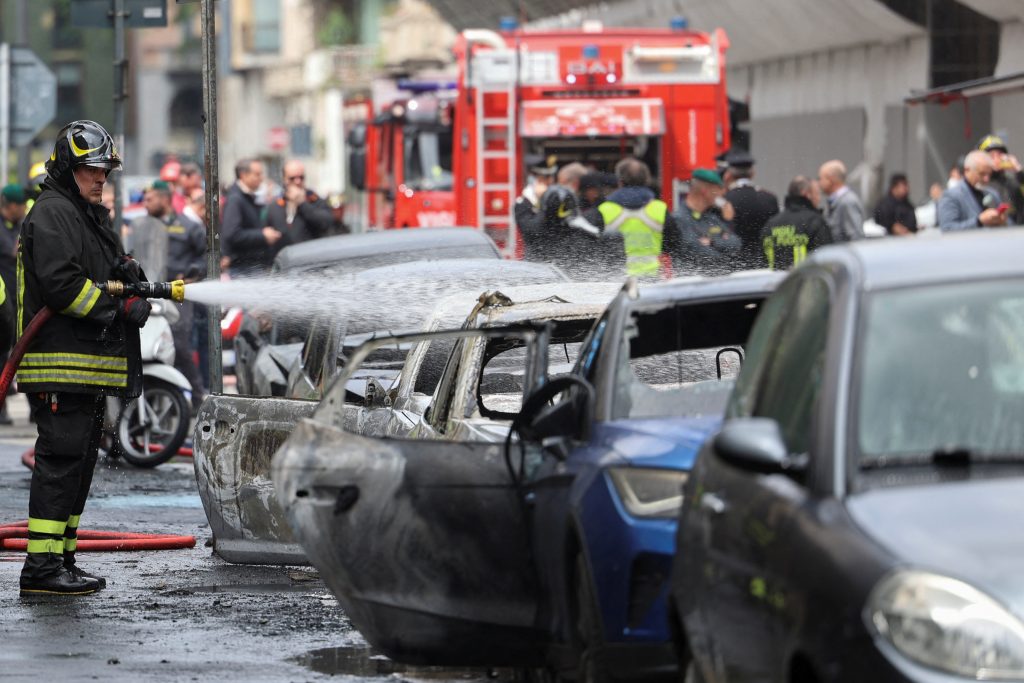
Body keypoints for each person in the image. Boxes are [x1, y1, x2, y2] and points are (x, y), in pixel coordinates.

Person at [17, 120, 150, 595]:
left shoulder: (83, 214)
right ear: (67, 169)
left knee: (78, 465)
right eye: (92, 169)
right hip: (61, 365)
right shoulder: (54, 213)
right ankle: (40, 568)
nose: (101, 178)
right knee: (61, 463)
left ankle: (62, 559)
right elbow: (62, 285)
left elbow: (96, 269)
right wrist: (118, 308)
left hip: (85, 367)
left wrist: (125, 270)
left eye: (105, 171)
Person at [136, 181, 207, 408]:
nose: (146, 204)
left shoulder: (188, 226)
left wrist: (193, 275)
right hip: (151, 292)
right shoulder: (144, 226)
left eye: (150, 199)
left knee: (180, 345)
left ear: (164, 199)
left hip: (178, 294)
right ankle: (154, 398)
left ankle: (197, 398)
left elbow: (208, 256)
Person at [581, 157, 679, 278]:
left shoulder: (603, 210)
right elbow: (674, 245)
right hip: (652, 279)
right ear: (646, 180)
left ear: (620, 181)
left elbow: (589, 248)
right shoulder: (660, 209)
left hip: (616, 280)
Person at [666, 168, 740, 276]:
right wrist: (725, 255)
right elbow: (700, 254)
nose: (723, 193)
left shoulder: (712, 218)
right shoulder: (679, 219)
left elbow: (736, 243)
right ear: (706, 190)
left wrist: (713, 242)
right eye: (719, 188)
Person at [221, 158, 281, 275]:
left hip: (250, 267)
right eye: (257, 174)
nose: (261, 178)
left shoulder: (246, 197)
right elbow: (232, 234)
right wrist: (262, 235)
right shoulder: (235, 199)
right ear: (243, 175)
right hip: (243, 269)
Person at [761, 175, 833, 270]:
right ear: (807, 194)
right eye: (817, 193)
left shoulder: (771, 224)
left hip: (776, 279)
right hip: (806, 278)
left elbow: (763, 262)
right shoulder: (815, 221)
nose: (819, 199)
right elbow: (827, 258)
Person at [721, 149, 779, 267]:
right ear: (753, 173)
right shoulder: (769, 198)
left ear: (729, 174)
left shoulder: (725, 200)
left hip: (734, 264)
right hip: (763, 262)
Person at [0, 184, 27, 424]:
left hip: (21, 303)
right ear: (10, 206)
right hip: (2, 306)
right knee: (2, 358)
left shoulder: (22, 225)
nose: (24, 209)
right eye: (21, 206)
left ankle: (36, 408)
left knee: (27, 354)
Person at [264, 160, 335, 248]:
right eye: (292, 178)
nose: (297, 182)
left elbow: (326, 222)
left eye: (301, 177)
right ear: (284, 179)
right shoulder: (275, 206)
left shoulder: (314, 200)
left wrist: (302, 204)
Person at [937, 150, 1007, 231]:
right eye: (982, 174)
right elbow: (948, 228)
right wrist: (979, 221)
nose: (986, 179)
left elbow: (1008, 223)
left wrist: (1002, 221)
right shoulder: (951, 196)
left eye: (989, 174)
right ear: (967, 170)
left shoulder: (993, 194)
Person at [515, 156, 557, 261]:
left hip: (557, 258)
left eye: (551, 178)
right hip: (535, 261)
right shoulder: (522, 203)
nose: (550, 182)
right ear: (533, 179)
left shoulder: (555, 200)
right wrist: (543, 201)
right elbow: (532, 231)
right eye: (544, 179)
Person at [978, 134, 1024, 225]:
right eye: (991, 156)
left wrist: (1018, 170)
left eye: (999, 155)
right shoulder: (978, 184)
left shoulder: (1012, 182)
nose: (996, 159)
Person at [818, 159, 865, 242]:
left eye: (820, 178)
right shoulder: (836, 201)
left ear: (830, 179)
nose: (819, 183)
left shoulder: (847, 202)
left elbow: (856, 237)